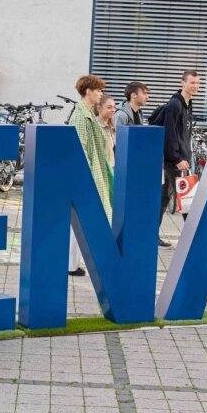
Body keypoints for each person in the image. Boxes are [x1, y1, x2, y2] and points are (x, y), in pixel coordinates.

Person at [68, 75, 113, 277]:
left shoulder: (87, 113)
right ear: (88, 91)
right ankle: (72, 264)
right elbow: (81, 150)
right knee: (80, 222)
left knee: (80, 222)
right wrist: (87, 181)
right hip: (88, 177)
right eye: (98, 90)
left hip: (93, 174)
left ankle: (73, 263)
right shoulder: (80, 116)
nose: (100, 94)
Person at [158, 70, 200, 248]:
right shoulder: (175, 105)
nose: (195, 86)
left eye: (198, 83)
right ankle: (194, 239)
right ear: (182, 83)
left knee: (165, 198)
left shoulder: (187, 104)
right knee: (187, 198)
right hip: (174, 160)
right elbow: (170, 134)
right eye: (192, 83)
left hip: (180, 158)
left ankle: (151, 235)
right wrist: (177, 158)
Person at [95, 94, 117, 170]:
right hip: (101, 169)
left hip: (112, 168)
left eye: (114, 107)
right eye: (109, 107)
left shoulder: (112, 127)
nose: (113, 110)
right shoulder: (95, 126)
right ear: (99, 108)